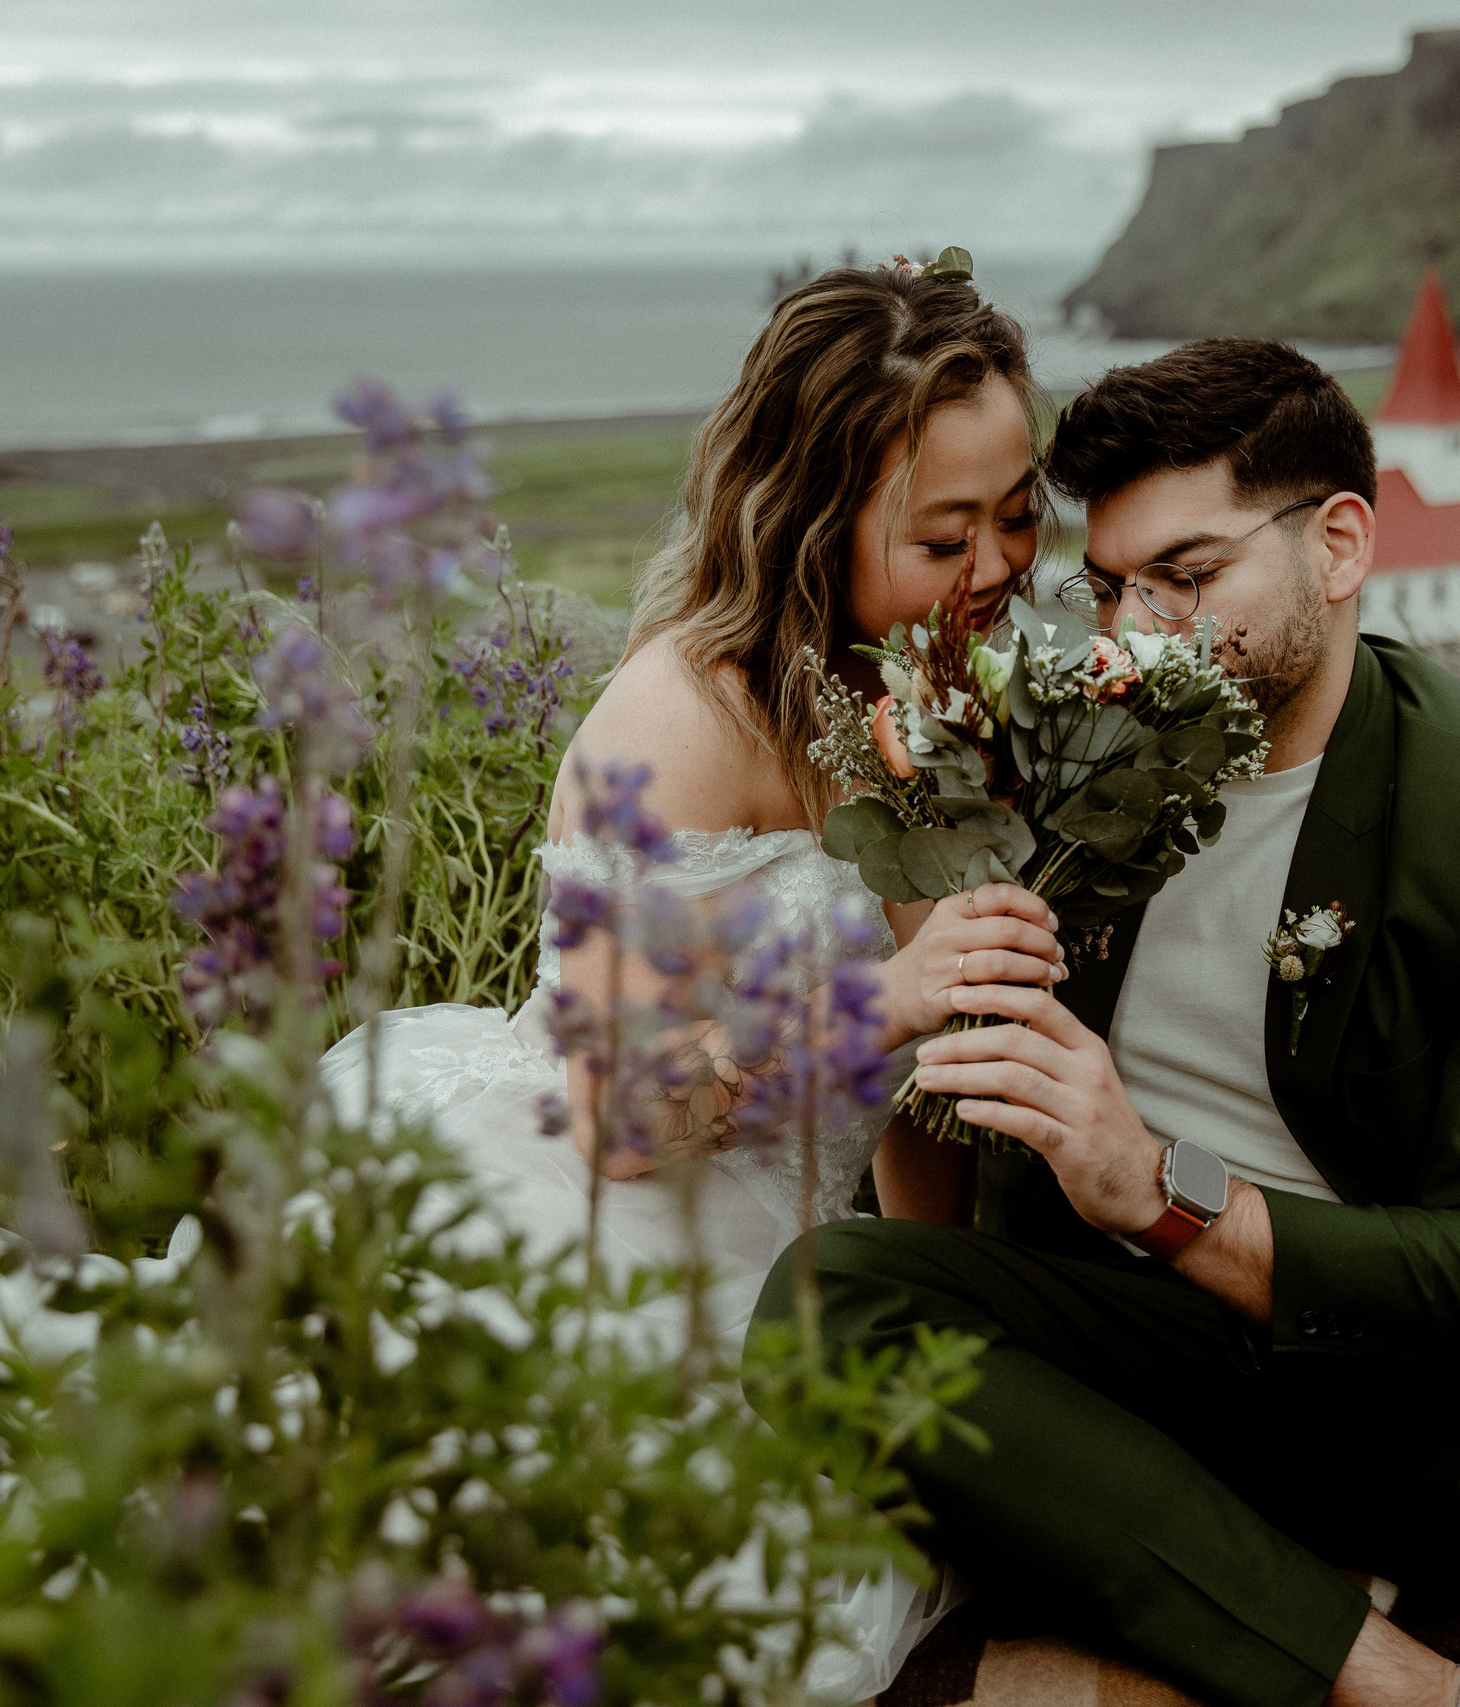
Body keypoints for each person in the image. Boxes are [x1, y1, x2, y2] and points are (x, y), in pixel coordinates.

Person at [755, 341, 1460, 1707]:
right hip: (1159, 1385)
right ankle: (1403, 1682)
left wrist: (1165, 1197)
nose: (1143, 633)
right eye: (1114, 587)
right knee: (838, 1297)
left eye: (1189, 577)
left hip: (1436, 1390)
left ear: (1343, 544)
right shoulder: (1044, 764)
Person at [317, 257, 1064, 1700]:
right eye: (944, 533)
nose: (996, 569)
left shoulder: (927, 681)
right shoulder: (672, 722)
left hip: (813, 1266)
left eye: (1019, 512)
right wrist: (891, 1007)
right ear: (808, 520)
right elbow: (616, 1113)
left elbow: (918, 1107)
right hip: (607, 1240)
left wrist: (959, 1301)